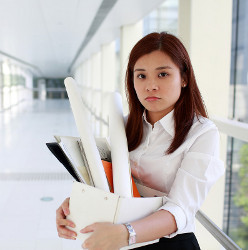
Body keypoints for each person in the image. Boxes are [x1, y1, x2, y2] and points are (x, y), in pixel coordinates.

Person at [56, 32, 224, 250]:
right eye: (141, 76)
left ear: (183, 78)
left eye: (163, 74)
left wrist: (126, 234)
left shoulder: (202, 133)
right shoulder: (124, 126)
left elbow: (180, 209)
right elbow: (108, 184)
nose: (150, 86)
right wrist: (73, 207)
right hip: (121, 237)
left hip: (169, 243)